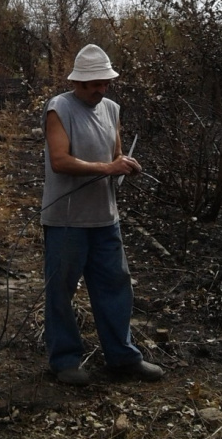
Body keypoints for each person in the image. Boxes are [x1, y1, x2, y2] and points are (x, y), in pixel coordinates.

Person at [41, 44, 165, 386]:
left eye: (104, 82)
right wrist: (107, 167)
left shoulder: (111, 109)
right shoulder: (60, 108)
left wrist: (125, 166)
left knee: (115, 287)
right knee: (61, 291)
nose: (101, 89)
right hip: (66, 220)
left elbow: (116, 154)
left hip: (105, 219)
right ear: (78, 82)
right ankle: (64, 360)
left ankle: (122, 357)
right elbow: (60, 160)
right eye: (93, 83)